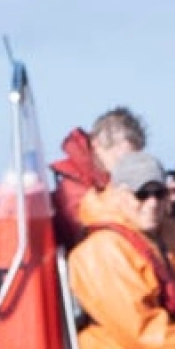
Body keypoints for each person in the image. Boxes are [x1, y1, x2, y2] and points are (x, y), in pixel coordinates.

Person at [68, 152, 175, 349]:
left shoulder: (160, 241)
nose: (152, 203)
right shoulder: (103, 251)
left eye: (159, 194)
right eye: (142, 194)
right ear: (120, 195)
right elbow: (140, 330)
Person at [51, 107, 146, 249]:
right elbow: (87, 234)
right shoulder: (73, 189)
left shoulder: (117, 184)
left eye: (134, 160)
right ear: (97, 146)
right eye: (122, 160)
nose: (129, 167)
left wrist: (173, 206)